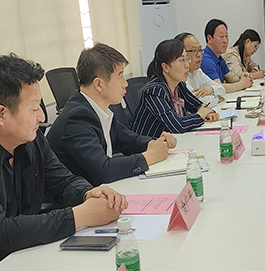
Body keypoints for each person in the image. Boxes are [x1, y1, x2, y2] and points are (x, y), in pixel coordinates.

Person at [0, 54, 126, 261]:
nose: (42, 117)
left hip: (27, 257)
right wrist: (80, 216)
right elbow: (3, 232)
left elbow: (63, 181)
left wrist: (89, 194)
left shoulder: (34, 141)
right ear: (2, 114)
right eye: (34, 108)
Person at [48, 43, 177, 186]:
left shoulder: (96, 108)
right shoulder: (77, 118)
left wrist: (154, 143)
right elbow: (103, 170)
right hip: (78, 196)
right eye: (120, 76)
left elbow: (128, 141)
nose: (125, 83)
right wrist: (150, 156)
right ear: (99, 84)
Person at [132, 39, 219, 137]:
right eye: (182, 60)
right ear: (166, 67)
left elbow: (198, 105)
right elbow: (177, 126)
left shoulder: (179, 85)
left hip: (174, 140)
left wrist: (209, 113)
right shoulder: (154, 91)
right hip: (151, 144)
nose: (187, 65)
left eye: (187, 59)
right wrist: (200, 116)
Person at [201, 19, 254, 93]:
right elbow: (218, 87)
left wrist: (243, 78)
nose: (225, 40)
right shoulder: (206, 60)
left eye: (226, 36)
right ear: (209, 38)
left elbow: (231, 78)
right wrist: (242, 84)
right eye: (221, 36)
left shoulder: (219, 57)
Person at [175, 32, 226, 107]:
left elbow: (222, 89)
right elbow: (198, 102)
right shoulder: (180, 76)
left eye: (200, 50)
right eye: (194, 51)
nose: (199, 55)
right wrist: (217, 98)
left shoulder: (198, 71)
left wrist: (210, 89)